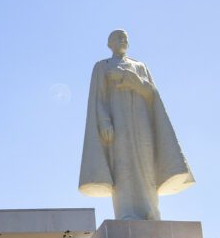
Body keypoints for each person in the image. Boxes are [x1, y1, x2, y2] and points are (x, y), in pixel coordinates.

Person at [79, 29, 194, 220]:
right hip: (118, 124)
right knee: (123, 166)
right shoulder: (102, 67)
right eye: (118, 38)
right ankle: (126, 212)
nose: (123, 40)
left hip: (141, 123)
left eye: (125, 38)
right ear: (110, 44)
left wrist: (131, 80)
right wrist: (105, 122)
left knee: (146, 165)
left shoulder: (140, 66)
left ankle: (150, 210)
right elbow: (98, 99)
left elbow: (151, 92)